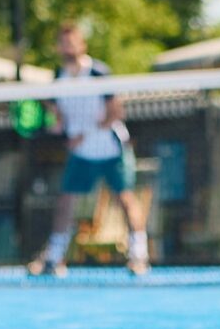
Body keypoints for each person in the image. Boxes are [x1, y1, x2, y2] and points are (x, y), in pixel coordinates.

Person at [27, 21, 149, 277]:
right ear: (58, 47)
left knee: (125, 199)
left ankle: (139, 256)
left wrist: (87, 134)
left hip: (111, 149)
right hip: (81, 154)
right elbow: (58, 116)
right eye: (63, 42)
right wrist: (57, 126)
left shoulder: (98, 73)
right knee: (65, 202)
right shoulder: (57, 79)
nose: (68, 47)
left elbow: (116, 111)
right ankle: (54, 258)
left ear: (82, 44)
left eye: (72, 41)